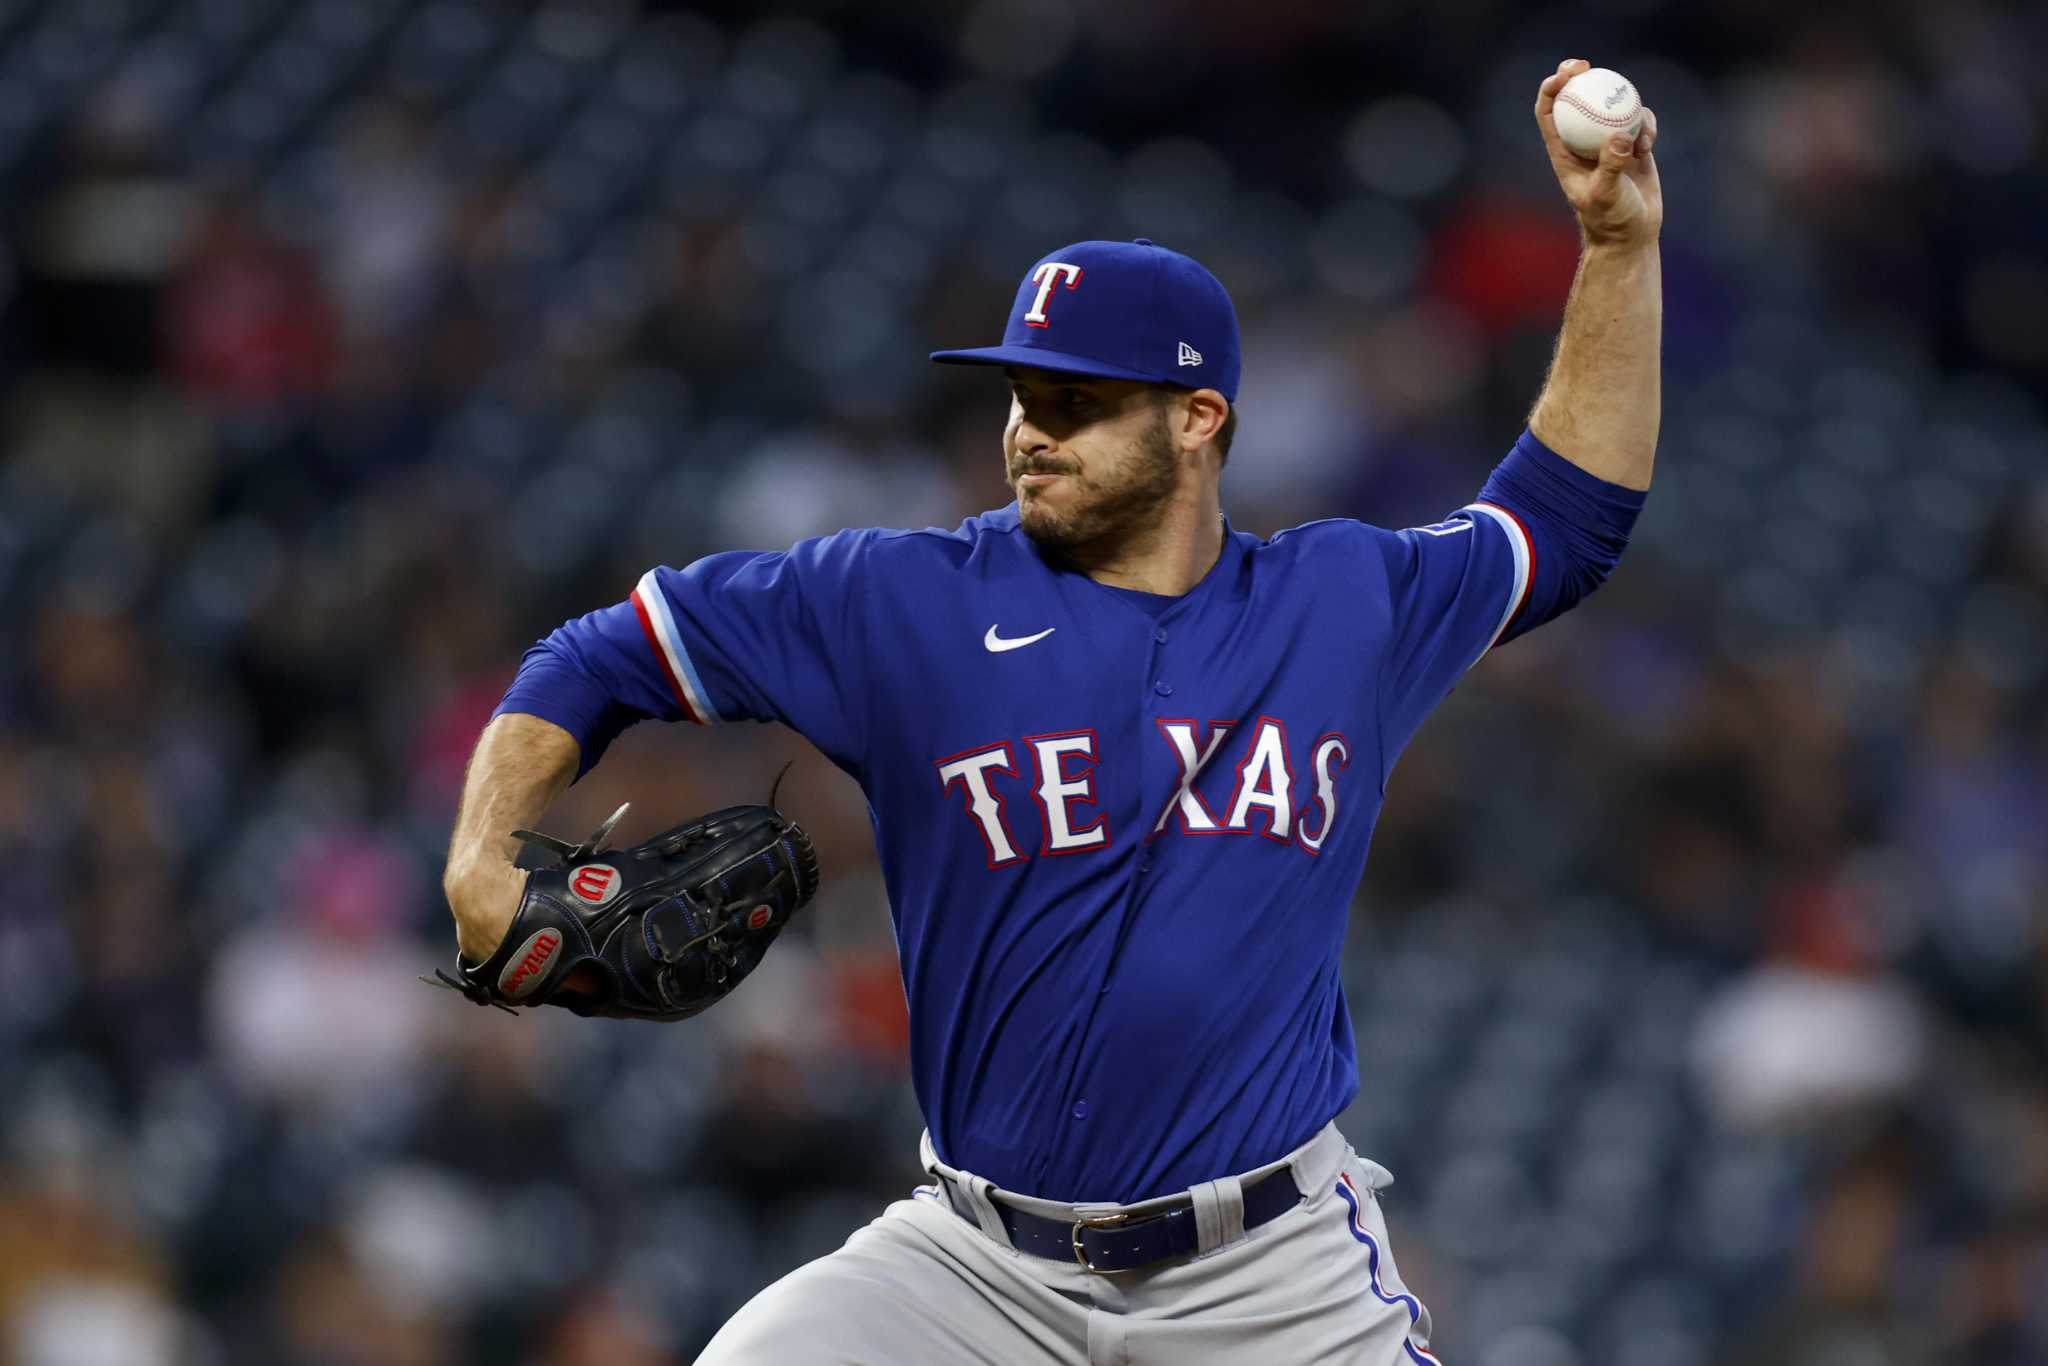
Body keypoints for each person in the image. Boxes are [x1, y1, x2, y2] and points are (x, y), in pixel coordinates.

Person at [440, 58, 1662, 1364]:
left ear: (1197, 420)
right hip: (972, 1265)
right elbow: (604, 653)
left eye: (1077, 400)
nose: (1030, 428)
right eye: (1023, 392)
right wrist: (482, 849)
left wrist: (1613, 244)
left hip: (1266, 1276)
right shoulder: (900, 601)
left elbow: (1568, 520)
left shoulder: (1345, 599)